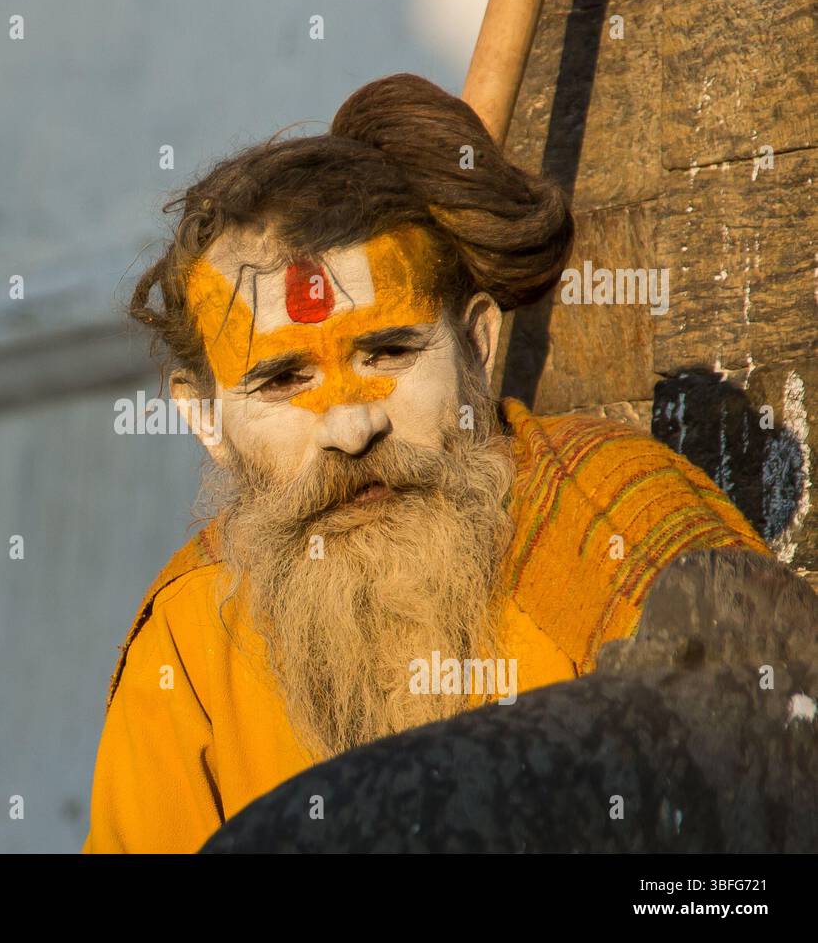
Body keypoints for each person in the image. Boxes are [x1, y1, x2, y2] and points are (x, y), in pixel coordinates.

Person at [82, 74, 769, 853]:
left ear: (477, 343)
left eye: (390, 351)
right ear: (204, 418)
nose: (349, 426)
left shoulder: (610, 523)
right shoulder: (188, 644)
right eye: (283, 380)